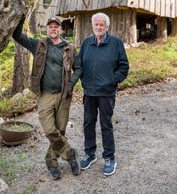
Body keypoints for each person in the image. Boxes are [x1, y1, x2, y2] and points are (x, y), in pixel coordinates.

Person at [12, 15, 82, 180]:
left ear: (61, 29)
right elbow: (17, 36)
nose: (53, 29)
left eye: (56, 26)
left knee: (61, 130)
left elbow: (78, 68)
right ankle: (70, 154)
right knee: (50, 130)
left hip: (64, 95)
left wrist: (71, 83)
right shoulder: (39, 45)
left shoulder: (69, 48)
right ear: (47, 29)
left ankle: (51, 163)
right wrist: (22, 17)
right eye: (50, 26)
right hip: (45, 94)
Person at [78, 12, 129, 176]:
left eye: (102, 25)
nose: (99, 27)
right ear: (93, 26)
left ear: (107, 27)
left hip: (106, 93)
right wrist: (82, 82)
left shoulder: (115, 43)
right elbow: (79, 65)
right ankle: (90, 154)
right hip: (89, 92)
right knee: (88, 123)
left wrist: (112, 81)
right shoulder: (86, 43)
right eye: (96, 24)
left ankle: (109, 157)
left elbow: (124, 66)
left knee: (106, 125)